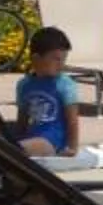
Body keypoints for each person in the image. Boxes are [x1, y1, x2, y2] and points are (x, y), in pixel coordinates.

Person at [17, 26, 83, 156]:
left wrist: (72, 148)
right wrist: (17, 136)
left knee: (17, 149)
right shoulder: (24, 85)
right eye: (56, 59)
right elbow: (22, 119)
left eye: (64, 59)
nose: (61, 64)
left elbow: (72, 120)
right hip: (31, 137)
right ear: (36, 59)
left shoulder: (65, 85)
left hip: (53, 142)